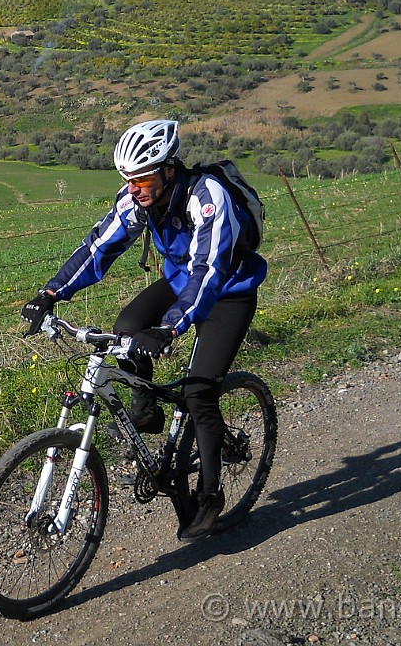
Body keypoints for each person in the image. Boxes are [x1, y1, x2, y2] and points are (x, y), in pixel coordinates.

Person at [20, 119, 266, 541]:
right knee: (127, 328)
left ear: (169, 169)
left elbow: (208, 271)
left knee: (198, 391)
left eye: (142, 178)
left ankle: (209, 497)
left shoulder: (207, 197)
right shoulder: (137, 199)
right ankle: (146, 410)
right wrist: (51, 293)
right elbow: (99, 246)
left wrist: (170, 329)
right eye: (128, 179)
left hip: (229, 289)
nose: (134, 187)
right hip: (180, 280)